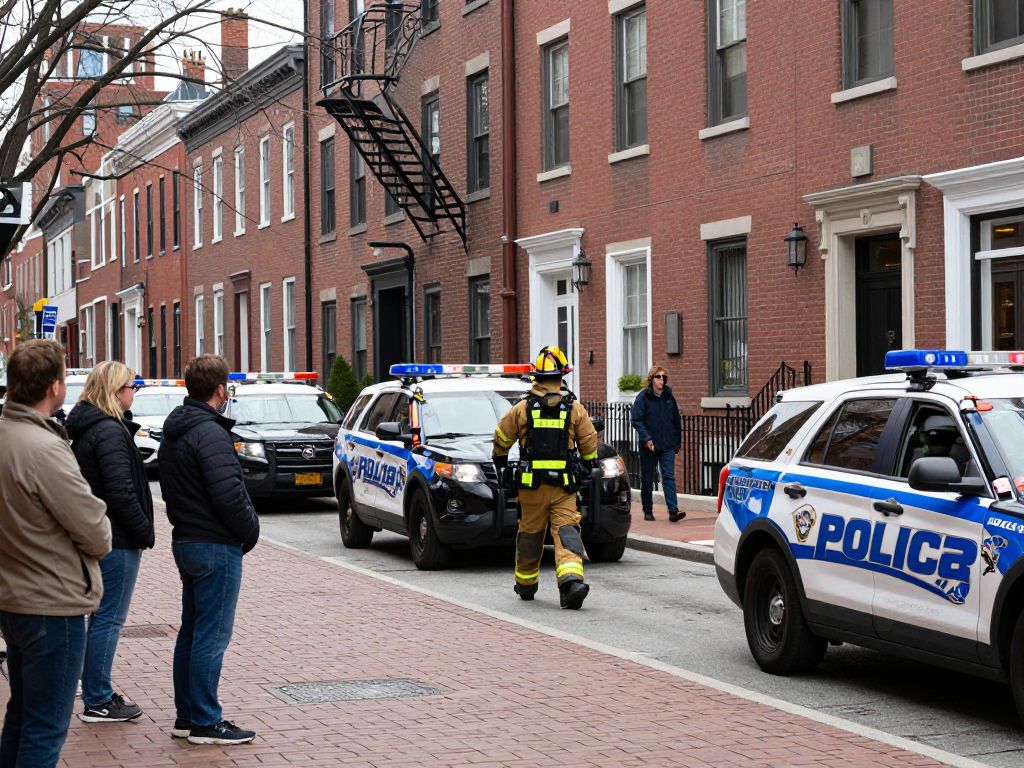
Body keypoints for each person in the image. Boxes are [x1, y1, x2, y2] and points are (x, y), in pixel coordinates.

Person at [0, 340, 111, 768]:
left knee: (23, 715)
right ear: (54, 387)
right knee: (45, 727)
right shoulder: (44, 448)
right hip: (52, 603)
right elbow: (96, 532)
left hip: (15, 596)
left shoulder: (8, 433)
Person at [158, 354, 259, 745]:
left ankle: (187, 715)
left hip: (186, 538)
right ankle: (204, 719)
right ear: (220, 389)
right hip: (215, 544)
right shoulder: (211, 432)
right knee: (211, 635)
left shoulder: (175, 430)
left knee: (193, 629)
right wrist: (251, 530)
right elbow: (229, 494)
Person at [65, 362, 155, 724]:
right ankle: (98, 698)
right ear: (117, 391)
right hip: (116, 538)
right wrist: (143, 531)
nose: (134, 392)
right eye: (132, 386)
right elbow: (121, 491)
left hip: (101, 534)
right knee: (108, 618)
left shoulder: (88, 428)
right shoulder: (109, 431)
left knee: (99, 617)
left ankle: (95, 692)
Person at [493, 346, 598, 610]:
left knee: (530, 534)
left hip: (531, 487)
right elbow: (589, 442)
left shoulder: (522, 409)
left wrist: (501, 463)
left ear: (537, 377)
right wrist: (587, 466)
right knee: (567, 532)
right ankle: (571, 581)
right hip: (563, 487)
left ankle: (526, 584)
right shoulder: (574, 409)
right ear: (562, 375)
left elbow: (501, 437)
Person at [631, 365, 684, 522]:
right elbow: (636, 420)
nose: (662, 380)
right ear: (651, 379)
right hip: (650, 446)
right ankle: (648, 510)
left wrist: (677, 441)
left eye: (664, 377)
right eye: (658, 377)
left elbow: (676, 420)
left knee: (668, 476)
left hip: (667, 444)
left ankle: (673, 511)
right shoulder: (643, 398)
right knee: (647, 478)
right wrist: (647, 438)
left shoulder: (669, 397)